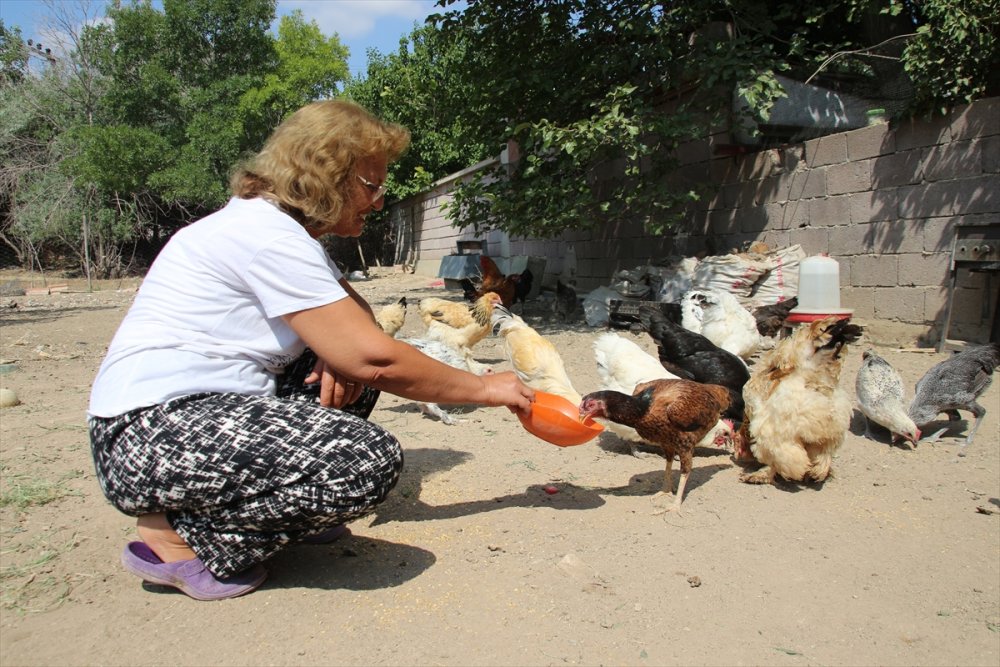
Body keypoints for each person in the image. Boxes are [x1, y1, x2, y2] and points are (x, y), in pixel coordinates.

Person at [87, 100, 535, 601]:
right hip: (152, 434)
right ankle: (175, 537)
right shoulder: (267, 236)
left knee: (346, 373)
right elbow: (377, 357)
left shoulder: (280, 232)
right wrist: (483, 388)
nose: (379, 201)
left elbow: (358, 320)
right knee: (364, 461)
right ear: (326, 175)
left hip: (181, 420)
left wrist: (334, 349)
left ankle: (282, 513)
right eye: (371, 186)